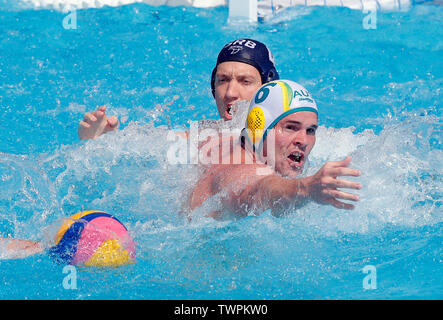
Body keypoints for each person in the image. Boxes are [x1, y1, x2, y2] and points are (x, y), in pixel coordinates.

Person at [188, 80, 362, 219]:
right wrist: (305, 188)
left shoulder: (221, 140)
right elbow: (260, 189)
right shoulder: (241, 171)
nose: (303, 141)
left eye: (310, 130)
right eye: (291, 128)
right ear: (259, 128)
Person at [78, 38, 279, 140]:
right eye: (223, 80)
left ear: (267, 89)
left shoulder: (294, 138)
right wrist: (100, 139)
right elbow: (139, 154)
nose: (230, 93)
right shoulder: (200, 137)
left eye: (245, 81)